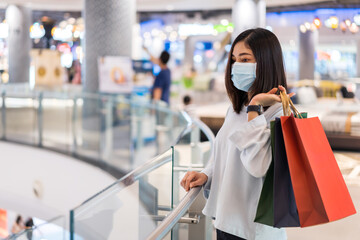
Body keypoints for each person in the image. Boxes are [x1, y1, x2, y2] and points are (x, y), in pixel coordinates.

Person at [181, 28, 294, 240]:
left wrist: (255, 107)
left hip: (254, 230)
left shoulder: (280, 114)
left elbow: (258, 166)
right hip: (225, 221)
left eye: (245, 59)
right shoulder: (237, 109)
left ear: (266, 62)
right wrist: (207, 174)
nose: (236, 66)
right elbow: (224, 154)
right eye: (233, 59)